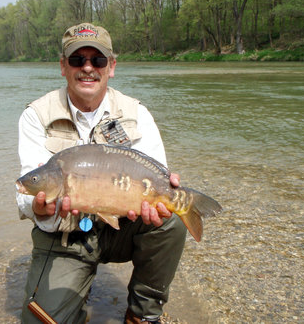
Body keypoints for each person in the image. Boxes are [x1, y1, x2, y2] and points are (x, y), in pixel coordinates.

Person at [16, 23, 187, 324]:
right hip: (64, 235)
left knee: (171, 218)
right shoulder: (36, 116)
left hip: (121, 228)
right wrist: (38, 209)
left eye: (97, 60)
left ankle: (142, 315)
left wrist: (163, 202)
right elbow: (27, 186)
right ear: (62, 66)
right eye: (76, 60)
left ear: (112, 67)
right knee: (39, 321)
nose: (87, 68)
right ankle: (71, 294)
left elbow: (158, 178)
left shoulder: (137, 113)